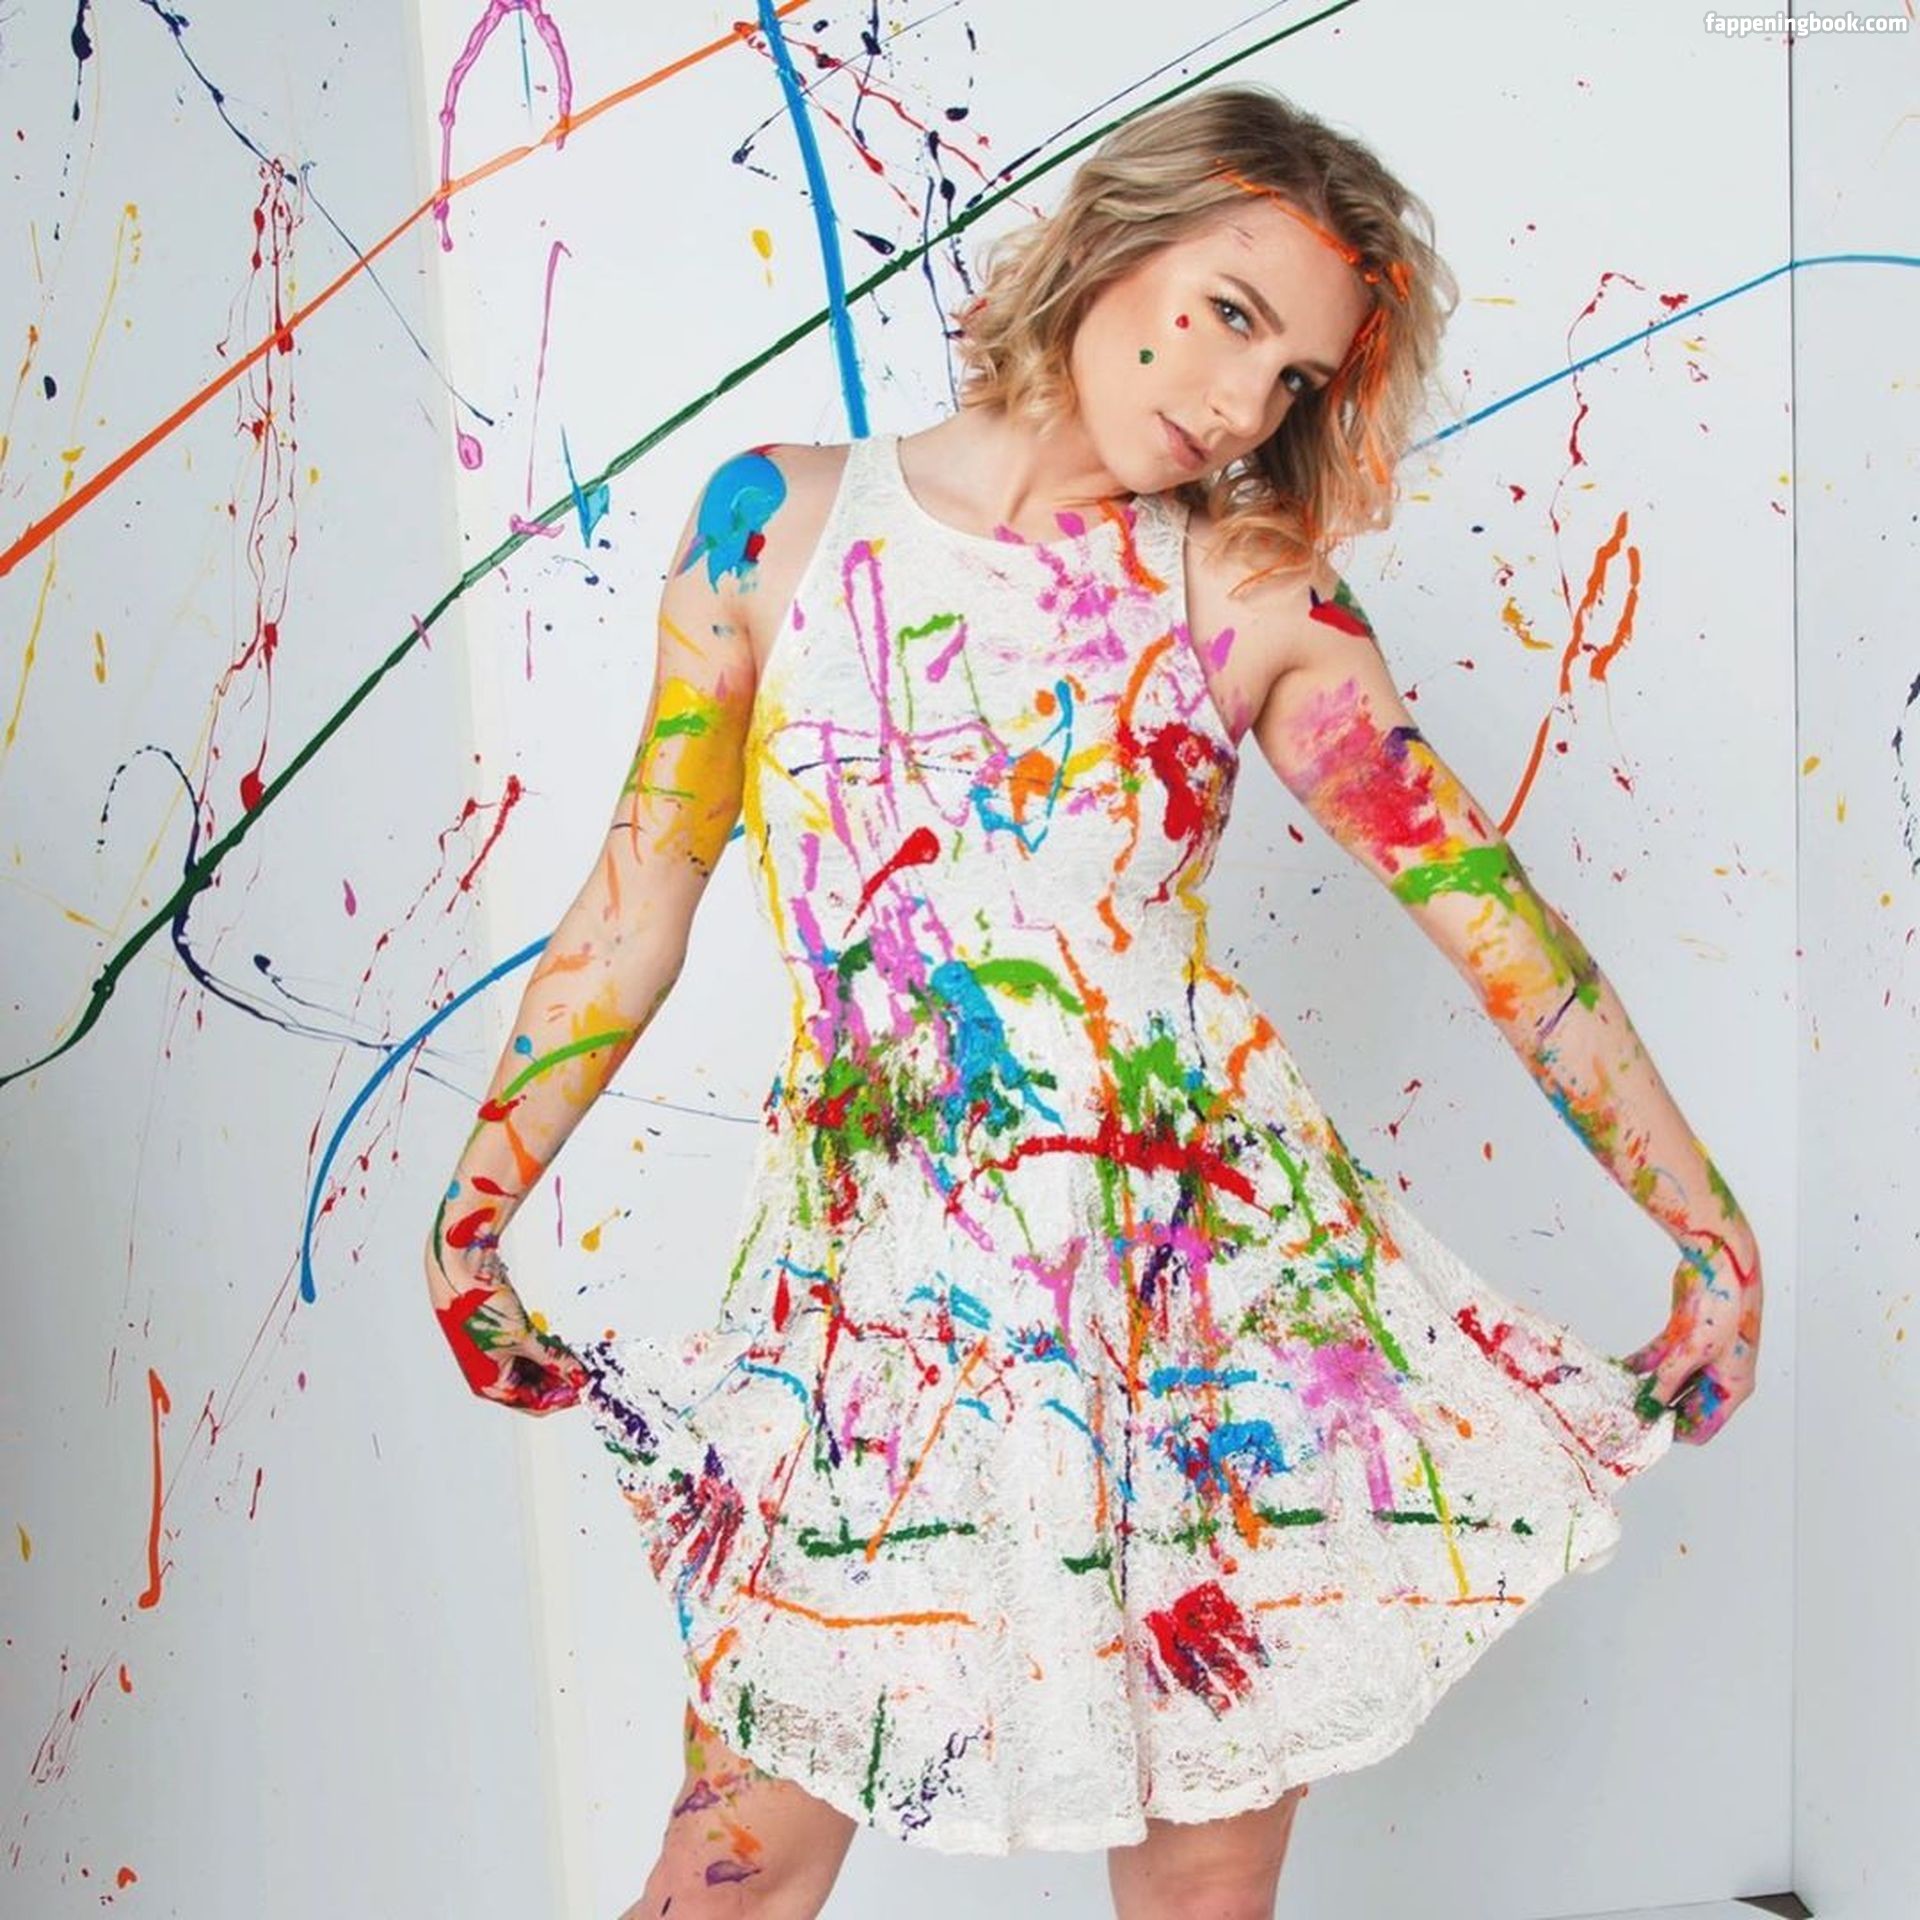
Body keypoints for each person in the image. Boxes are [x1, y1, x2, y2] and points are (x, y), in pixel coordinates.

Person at [423, 84, 1762, 1919]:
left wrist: (1707, 1229)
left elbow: (1494, 925)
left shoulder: (1249, 588)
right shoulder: (774, 522)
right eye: (1230, 313)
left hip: (1207, 1306)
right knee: (729, 1871)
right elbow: (633, 898)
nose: (1239, 403)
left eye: (1292, 377)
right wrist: (479, 1199)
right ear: (1114, 240)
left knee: (1202, 1893)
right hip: (873, 1311)